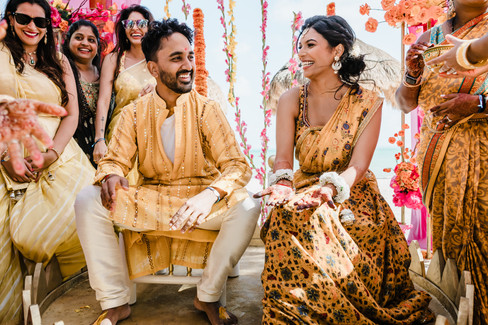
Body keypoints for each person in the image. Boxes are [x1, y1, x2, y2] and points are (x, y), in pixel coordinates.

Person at [74, 18, 260, 325]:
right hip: (153, 201)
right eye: (176, 58)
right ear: (153, 69)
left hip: (201, 204)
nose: (187, 65)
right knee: (87, 199)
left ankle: (208, 296)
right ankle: (115, 301)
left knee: (250, 203)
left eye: (189, 56)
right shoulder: (134, 112)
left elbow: (237, 166)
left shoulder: (207, 109)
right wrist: (110, 174)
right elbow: (114, 159)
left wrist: (209, 195)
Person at [255, 15, 433, 324]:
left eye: (311, 45)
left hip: (352, 190)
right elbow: (283, 159)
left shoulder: (368, 101)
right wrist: (283, 183)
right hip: (304, 186)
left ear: (337, 51)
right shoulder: (291, 98)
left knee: (330, 222)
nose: (302, 53)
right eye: (300, 46)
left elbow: (359, 166)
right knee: (285, 217)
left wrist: (330, 189)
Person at [0, 0, 95, 322]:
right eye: (24, 18)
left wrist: (51, 154)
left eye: (40, 22)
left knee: (69, 226)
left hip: (58, 158)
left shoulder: (57, 60)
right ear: (10, 19)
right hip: (4, 158)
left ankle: (63, 306)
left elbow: (72, 114)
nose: (32, 27)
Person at [396, 0, 488, 323]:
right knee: (447, 245)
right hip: (436, 154)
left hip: (481, 148)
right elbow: (405, 103)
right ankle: (457, 314)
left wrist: (477, 103)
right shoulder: (430, 37)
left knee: (481, 238)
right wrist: (412, 72)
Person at [92, 5, 155, 164]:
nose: (135, 28)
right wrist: (99, 140)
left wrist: (160, 88)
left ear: (149, 27)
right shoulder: (114, 59)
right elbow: (104, 101)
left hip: (156, 134)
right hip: (121, 133)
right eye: (129, 24)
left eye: (141, 24)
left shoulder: (159, 60)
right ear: (123, 28)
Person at [63, 19, 103, 167]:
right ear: (68, 42)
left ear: (98, 46)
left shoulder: (105, 75)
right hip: (73, 148)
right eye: (79, 38)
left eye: (91, 40)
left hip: (103, 146)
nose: (85, 43)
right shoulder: (62, 71)